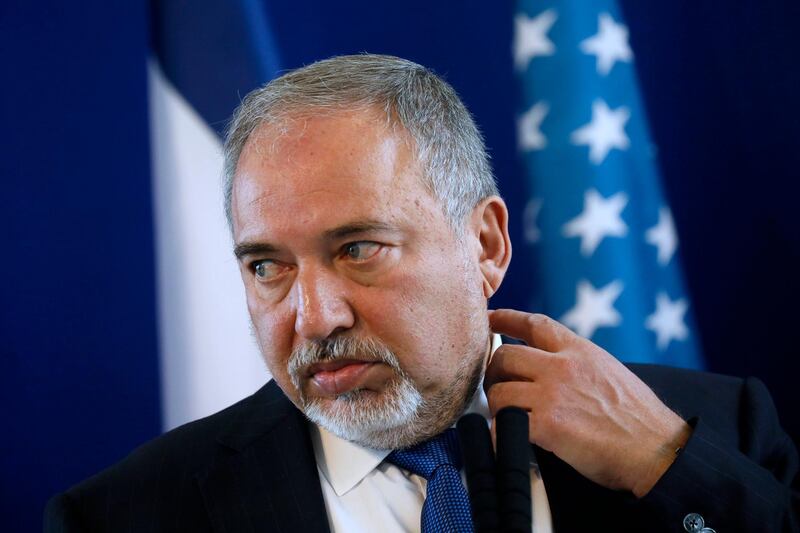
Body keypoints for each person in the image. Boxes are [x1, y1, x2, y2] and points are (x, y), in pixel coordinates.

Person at [45, 54, 799, 533]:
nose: (313, 317)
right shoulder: (124, 515)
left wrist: (663, 463)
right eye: (267, 266)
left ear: (486, 245)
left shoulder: (715, 431)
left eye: (358, 248)